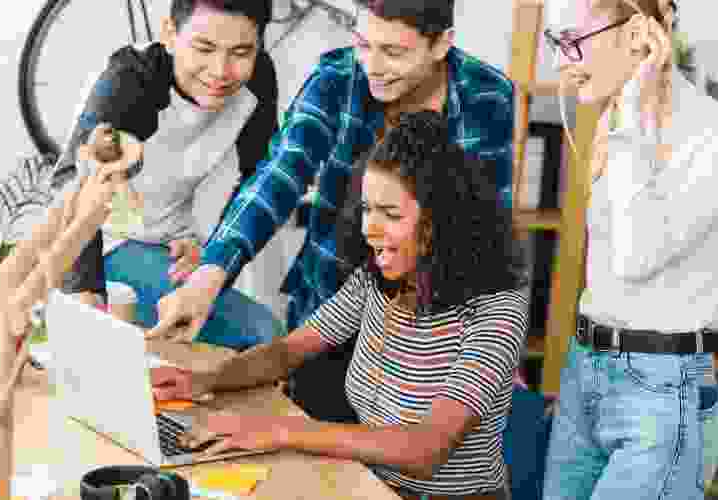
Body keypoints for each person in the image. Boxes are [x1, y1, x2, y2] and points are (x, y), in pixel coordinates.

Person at [147, 0, 516, 424]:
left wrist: (492, 344)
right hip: (328, 303)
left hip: (432, 326)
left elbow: (485, 224)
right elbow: (279, 175)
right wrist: (208, 277)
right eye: (363, 44)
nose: (372, 66)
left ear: (441, 45)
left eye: (393, 52)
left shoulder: (485, 96)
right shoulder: (338, 77)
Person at [150, 111, 529, 500]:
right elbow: (288, 352)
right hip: (369, 487)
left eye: (391, 214)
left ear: (440, 221)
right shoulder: (376, 282)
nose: (370, 229)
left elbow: (426, 448)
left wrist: (277, 430)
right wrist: (205, 380)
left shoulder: (495, 310)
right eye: (367, 209)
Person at [541, 1, 718, 499]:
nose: (562, 62)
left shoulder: (706, 132)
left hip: (660, 387)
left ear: (639, 34)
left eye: (574, 40)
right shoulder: (614, 116)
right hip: (587, 369)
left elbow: (635, 257)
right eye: (558, 42)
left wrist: (635, 120)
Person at [49, 0, 287, 350]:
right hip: (105, 243)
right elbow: (71, 180)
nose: (220, 70)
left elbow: (258, 182)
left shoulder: (258, 80)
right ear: (170, 35)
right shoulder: (131, 79)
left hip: (172, 247)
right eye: (204, 48)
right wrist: (87, 297)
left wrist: (213, 256)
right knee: (261, 336)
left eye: (241, 51)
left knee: (263, 345)